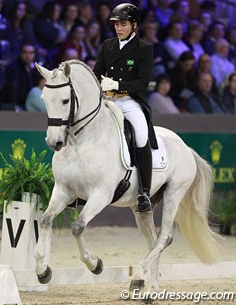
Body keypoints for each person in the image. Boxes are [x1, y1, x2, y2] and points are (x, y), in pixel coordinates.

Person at [93, 3, 157, 213]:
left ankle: (144, 193)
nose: (118, 28)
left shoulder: (144, 49)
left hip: (129, 101)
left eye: (123, 24)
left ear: (134, 25)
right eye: (116, 25)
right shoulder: (107, 46)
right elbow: (96, 73)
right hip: (106, 100)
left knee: (140, 135)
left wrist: (119, 86)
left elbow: (143, 82)